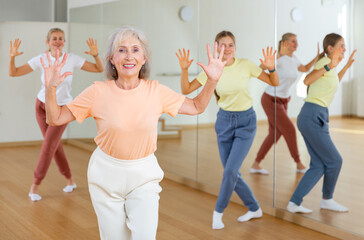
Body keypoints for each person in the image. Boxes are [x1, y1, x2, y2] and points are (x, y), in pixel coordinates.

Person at [42, 26, 229, 240]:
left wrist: (212, 80)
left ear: (144, 57)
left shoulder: (156, 91)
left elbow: (196, 106)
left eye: (135, 50)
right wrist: (51, 89)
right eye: (121, 50)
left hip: (144, 176)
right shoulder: (97, 92)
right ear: (111, 58)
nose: (129, 56)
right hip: (105, 175)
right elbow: (54, 118)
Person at [176, 30, 279, 229]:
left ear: (235, 47)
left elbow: (274, 82)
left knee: (230, 171)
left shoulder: (246, 65)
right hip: (223, 122)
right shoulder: (212, 69)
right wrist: (184, 69)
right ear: (216, 47)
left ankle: (218, 213)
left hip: (245, 122)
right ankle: (254, 208)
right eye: (223, 45)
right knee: (231, 173)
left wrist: (272, 69)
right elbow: (187, 90)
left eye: (230, 44)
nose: (227, 49)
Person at [8, 28, 104, 201]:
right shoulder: (41, 59)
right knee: (53, 145)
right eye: (54, 38)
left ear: (64, 41)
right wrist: (12, 57)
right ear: (48, 42)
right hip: (41, 106)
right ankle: (70, 180)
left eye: (60, 38)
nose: (57, 41)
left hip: (63, 109)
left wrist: (96, 55)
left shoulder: (72, 59)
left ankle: (34, 186)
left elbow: (98, 69)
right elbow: (13, 72)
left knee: (48, 147)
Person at [286, 33, 356, 214]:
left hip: (316, 115)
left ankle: (294, 202)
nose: (344, 49)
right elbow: (307, 80)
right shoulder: (322, 63)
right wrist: (327, 65)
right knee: (335, 160)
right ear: (330, 48)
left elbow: (333, 82)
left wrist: (346, 66)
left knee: (318, 164)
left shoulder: (330, 68)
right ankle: (327, 199)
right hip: (312, 115)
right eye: (341, 46)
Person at [251, 33, 320, 175]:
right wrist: (278, 55)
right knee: (290, 129)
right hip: (271, 99)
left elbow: (305, 68)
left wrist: (317, 57)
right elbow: (260, 68)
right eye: (293, 41)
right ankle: (299, 164)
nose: (297, 44)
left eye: (297, 41)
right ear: (284, 43)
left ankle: (256, 164)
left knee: (275, 134)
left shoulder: (293, 59)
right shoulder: (278, 59)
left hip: (284, 100)